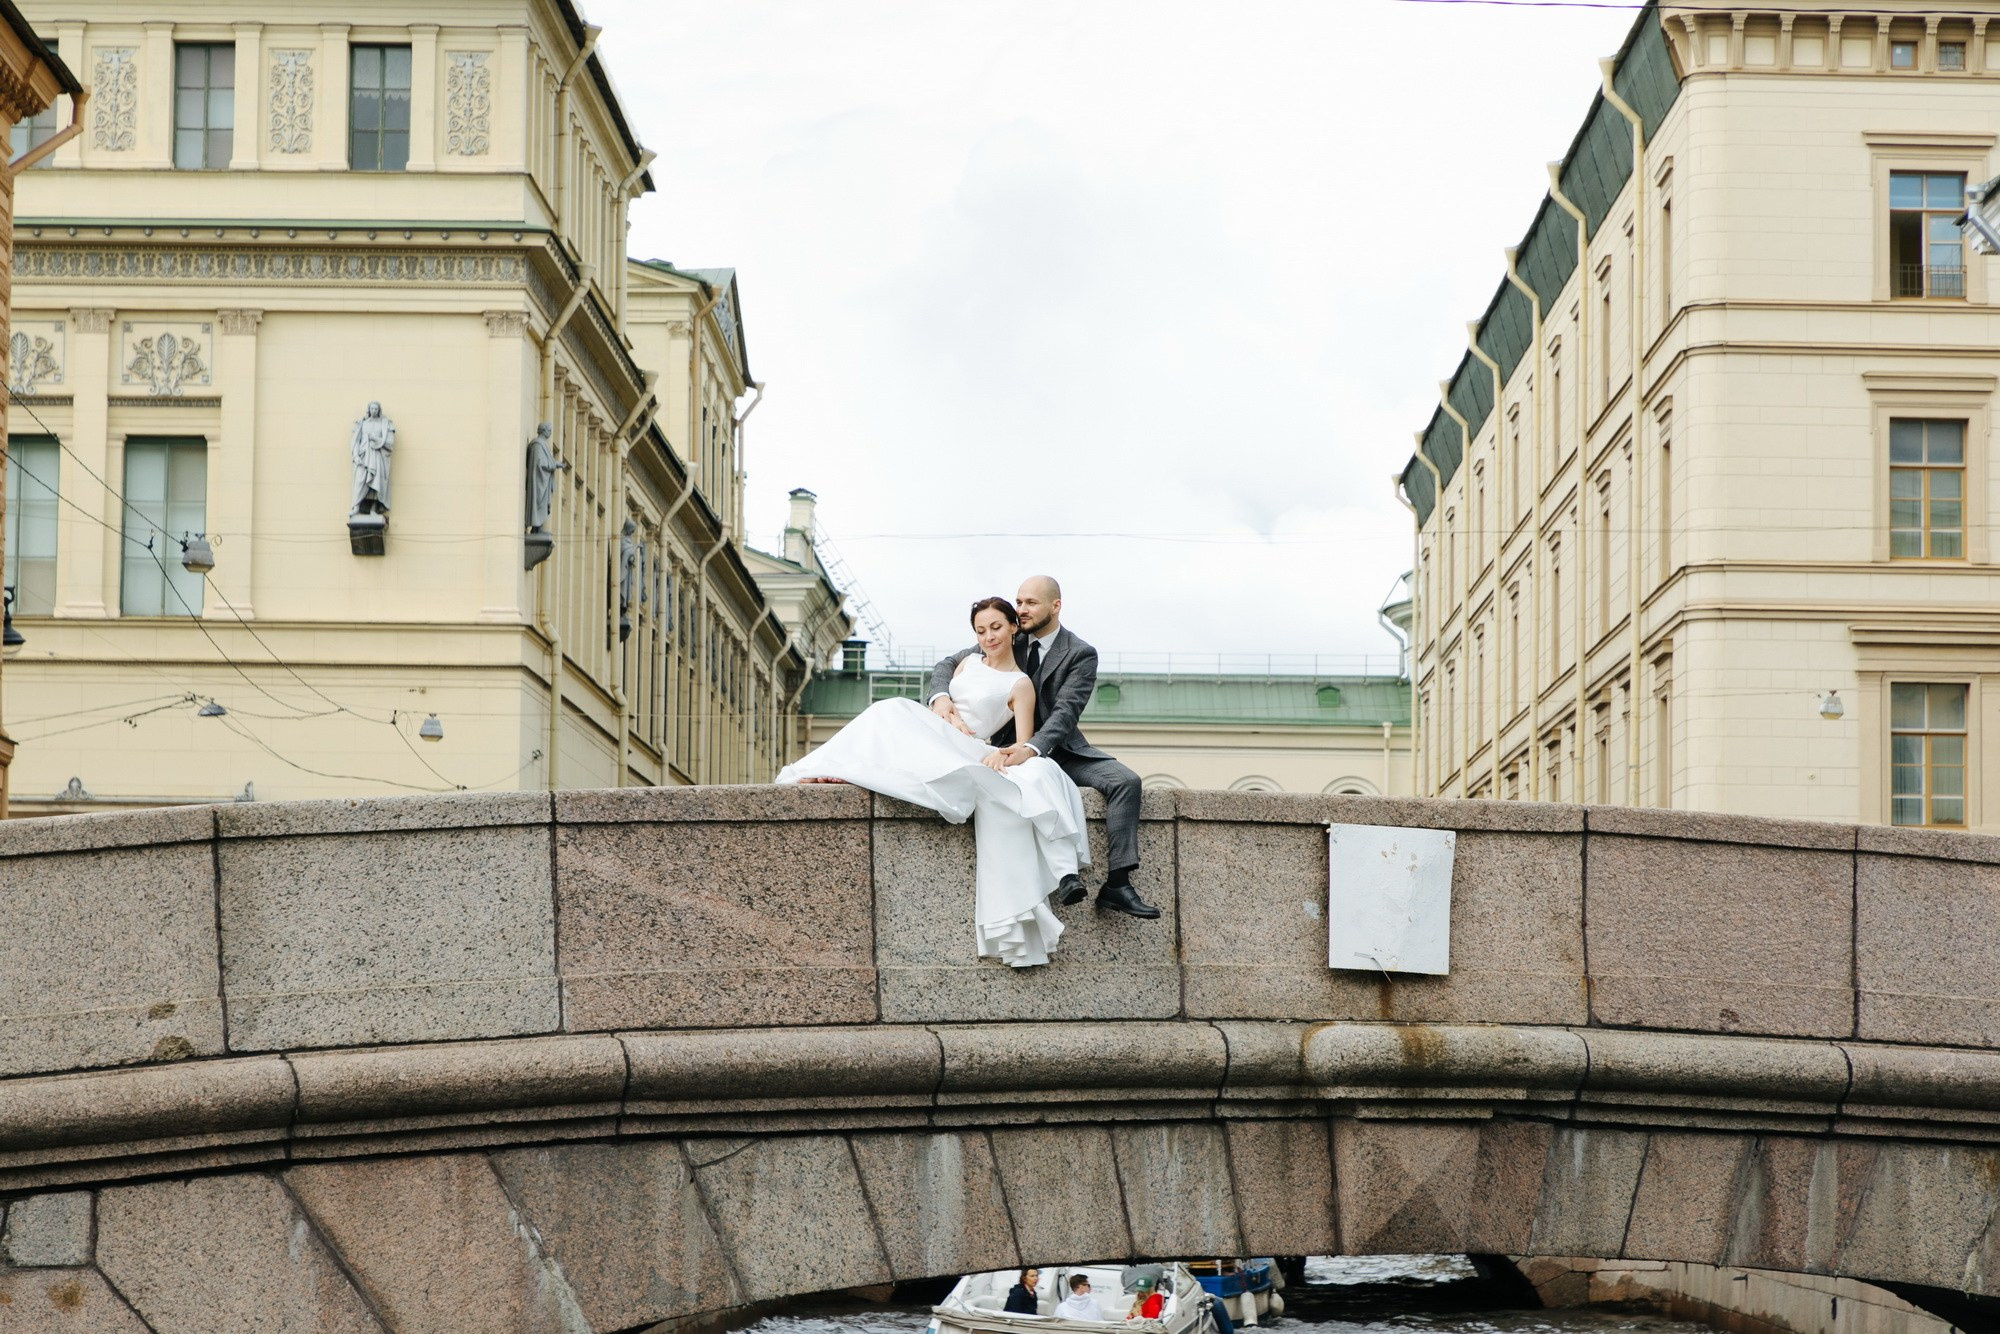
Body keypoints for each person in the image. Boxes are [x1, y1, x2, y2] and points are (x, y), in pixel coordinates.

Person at [777, 597, 1089, 968]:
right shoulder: (967, 662)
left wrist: (999, 754)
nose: (988, 636)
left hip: (971, 748)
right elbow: (944, 689)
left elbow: (1023, 741)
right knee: (889, 709)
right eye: (980, 630)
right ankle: (842, 768)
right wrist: (942, 703)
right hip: (940, 734)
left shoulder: (1020, 684)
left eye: (996, 627)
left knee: (891, 709)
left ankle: (845, 768)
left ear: (1012, 627)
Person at [929, 576, 1158, 919]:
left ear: (1055, 606)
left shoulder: (1080, 653)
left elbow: (1065, 713)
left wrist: (1033, 748)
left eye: (1030, 603)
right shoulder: (1007, 634)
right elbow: (948, 664)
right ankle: (1063, 872)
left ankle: (1118, 884)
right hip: (1001, 749)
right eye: (1019, 602)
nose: (1021, 609)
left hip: (1061, 749)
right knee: (1035, 778)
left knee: (1126, 781)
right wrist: (941, 697)